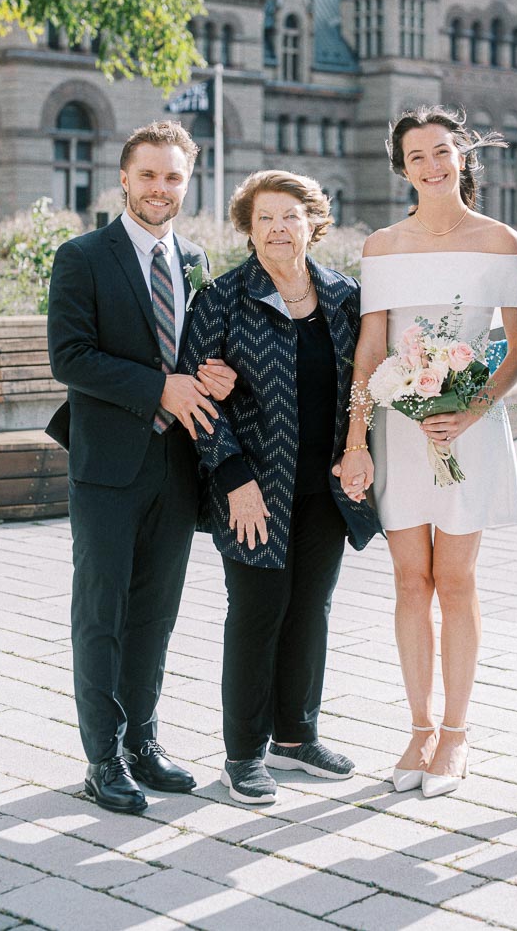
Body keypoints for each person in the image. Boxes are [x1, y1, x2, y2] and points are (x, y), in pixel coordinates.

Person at [338, 107, 517, 797]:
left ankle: (456, 735)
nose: (431, 164)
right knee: (408, 582)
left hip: (468, 431)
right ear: (403, 167)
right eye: (416, 155)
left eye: (442, 151)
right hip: (398, 429)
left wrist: (473, 408)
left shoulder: (499, 240)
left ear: (462, 157)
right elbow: (370, 351)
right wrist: (356, 440)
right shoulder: (383, 247)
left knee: (456, 581)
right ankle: (418, 728)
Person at [46, 120, 236, 814]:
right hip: (107, 468)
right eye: (149, 175)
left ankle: (143, 742)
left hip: (177, 465)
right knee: (102, 613)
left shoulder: (195, 259)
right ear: (124, 178)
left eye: (174, 177)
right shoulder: (83, 256)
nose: (161, 188)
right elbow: (70, 358)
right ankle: (102, 757)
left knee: (156, 614)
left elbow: (198, 353)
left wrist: (214, 374)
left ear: (188, 183)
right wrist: (159, 387)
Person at [179, 169, 381, 805]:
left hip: (326, 486)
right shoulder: (221, 299)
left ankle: (295, 738)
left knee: (310, 609)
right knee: (258, 612)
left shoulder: (344, 296)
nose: (277, 229)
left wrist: (360, 451)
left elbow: (365, 381)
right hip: (254, 486)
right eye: (264, 218)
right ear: (248, 228)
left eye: (289, 216)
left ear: (312, 224)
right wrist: (233, 477)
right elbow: (196, 401)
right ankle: (242, 755)